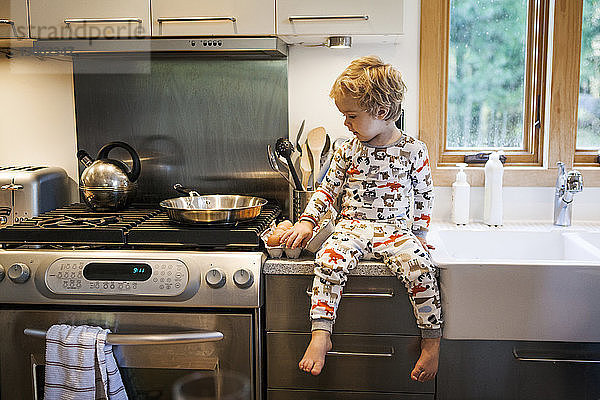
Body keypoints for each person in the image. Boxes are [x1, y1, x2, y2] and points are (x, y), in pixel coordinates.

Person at [280, 55, 442, 382]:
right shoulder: (347, 150)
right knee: (328, 260)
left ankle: (431, 341)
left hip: (395, 231)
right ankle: (321, 333)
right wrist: (307, 222)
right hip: (351, 227)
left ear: (381, 112)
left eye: (351, 115)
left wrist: (420, 237)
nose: (346, 124)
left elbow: (425, 195)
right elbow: (327, 190)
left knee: (422, 269)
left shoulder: (414, 150)